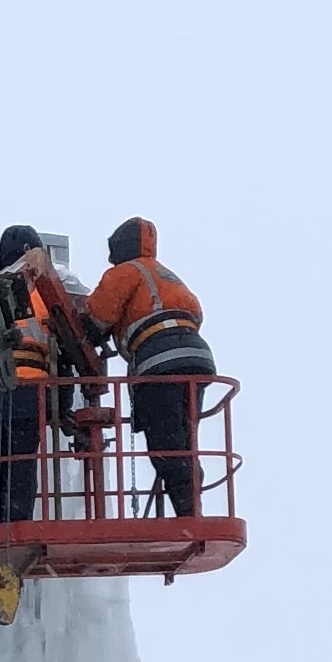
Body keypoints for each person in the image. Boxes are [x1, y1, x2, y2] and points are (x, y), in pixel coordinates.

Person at [82, 217, 216, 520]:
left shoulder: (124, 273)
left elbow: (96, 318)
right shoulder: (167, 275)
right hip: (196, 356)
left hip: (160, 359)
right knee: (183, 437)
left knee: (164, 438)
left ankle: (186, 507)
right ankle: (190, 503)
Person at [0, 223, 90, 531]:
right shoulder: (43, 287)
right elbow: (70, 341)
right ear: (30, 251)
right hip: (27, 392)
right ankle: (14, 530)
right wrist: (63, 409)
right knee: (20, 471)